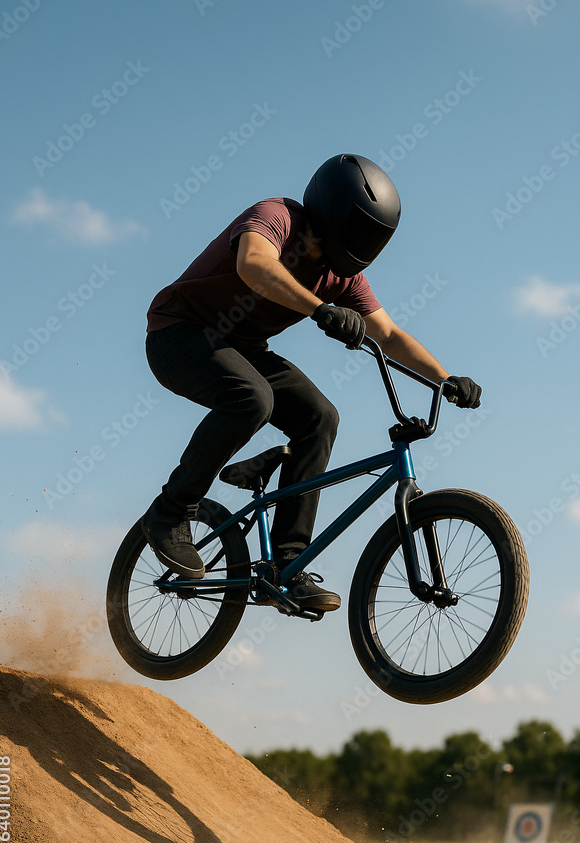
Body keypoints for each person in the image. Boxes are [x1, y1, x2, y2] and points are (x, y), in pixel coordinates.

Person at [141, 153, 481, 613]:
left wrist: (446, 379)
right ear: (334, 211)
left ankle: (287, 562)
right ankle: (171, 511)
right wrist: (319, 309)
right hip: (178, 333)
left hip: (243, 348)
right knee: (251, 398)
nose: (362, 244)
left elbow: (390, 334)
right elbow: (255, 264)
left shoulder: (344, 277)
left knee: (320, 418)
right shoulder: (276, 215)